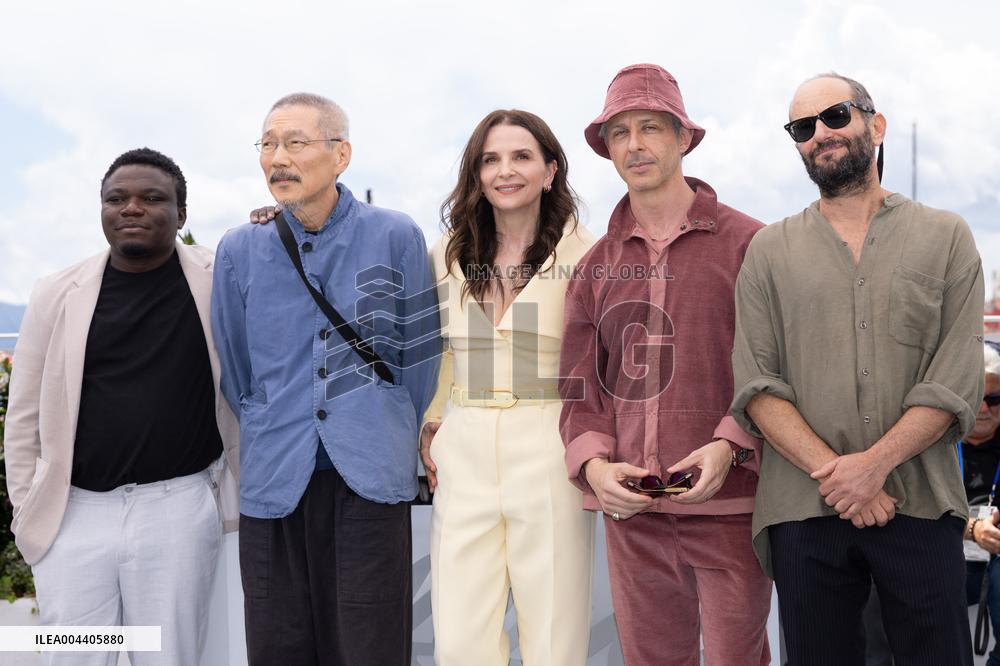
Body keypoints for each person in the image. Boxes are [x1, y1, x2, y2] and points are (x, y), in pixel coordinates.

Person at [731, 72, 984, 665]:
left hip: (919, 503)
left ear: (877, 123)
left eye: (836, 116)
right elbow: (756, 383)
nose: (820, 133)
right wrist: (841, 476)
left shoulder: (946, 237)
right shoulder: (768, 251)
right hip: (805, 509)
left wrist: (874, 466)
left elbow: (954, 379)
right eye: (802, 127)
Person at [211, 92, 439, 665]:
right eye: (267, 144)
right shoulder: (240, 249)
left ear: (341, 155)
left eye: (295, 142)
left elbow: (418, 356)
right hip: (274, 480)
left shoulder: (395, 235)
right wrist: (270, 418)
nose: (277, 157)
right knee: (278, 643)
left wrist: (383, 426)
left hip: (368, 475)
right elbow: (236, 367)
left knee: (371, 645)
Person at [560, 63, 771, 666]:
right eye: (619, 133)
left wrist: (730, 444)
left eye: (650, 127)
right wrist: (594, 465)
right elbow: (579, 387)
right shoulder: (595, 266)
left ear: (684, 137)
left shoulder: (749, 245)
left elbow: (775, 366)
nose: (634, 144)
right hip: (633, 518)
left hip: (730, 507)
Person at [4, 147, 240, 666]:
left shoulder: (219, 276)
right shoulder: (57, 292)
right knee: (75, 657)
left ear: (181, 214)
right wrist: (28, 506)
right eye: (117, 199)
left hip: (177, 507)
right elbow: (22, 416)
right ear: (102, 210)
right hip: (74, 514)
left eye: (151, 198)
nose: (131, 208)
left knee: (167, 656)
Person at [417, 109, 596, 665]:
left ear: (550, 170)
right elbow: (441, 348)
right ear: (475, 174)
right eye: (490, 159)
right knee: (459, 637)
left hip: (549, 441)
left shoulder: (591, 255)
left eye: (521, 156)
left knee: (553, 634)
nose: (505, 171)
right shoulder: (445, 255)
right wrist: (432, 420)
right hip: (463, 446)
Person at [961, 341, 1000, 664]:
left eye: (995, 398)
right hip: (943, 553)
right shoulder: (929, 441)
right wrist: (971, 528)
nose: (984, 408)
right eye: (975, 397)